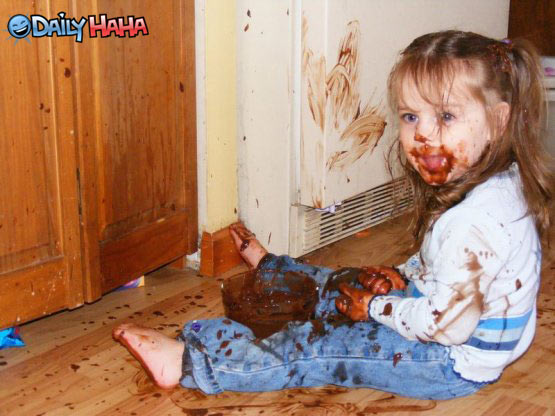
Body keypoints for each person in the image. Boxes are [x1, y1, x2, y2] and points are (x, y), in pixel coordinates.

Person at [113, 30, 552, 399]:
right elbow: (444, 266)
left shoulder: (477, 222)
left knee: (319, 346)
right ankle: (275, 271)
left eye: (446, 116)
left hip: (446, 361)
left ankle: (192, 362)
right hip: (439, 315)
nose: (422, 134)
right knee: (344, 281)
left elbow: (446, 326)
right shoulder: (491, 179)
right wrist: (401, 276)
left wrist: (376, 307)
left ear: (499, 122)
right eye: (410, 116)